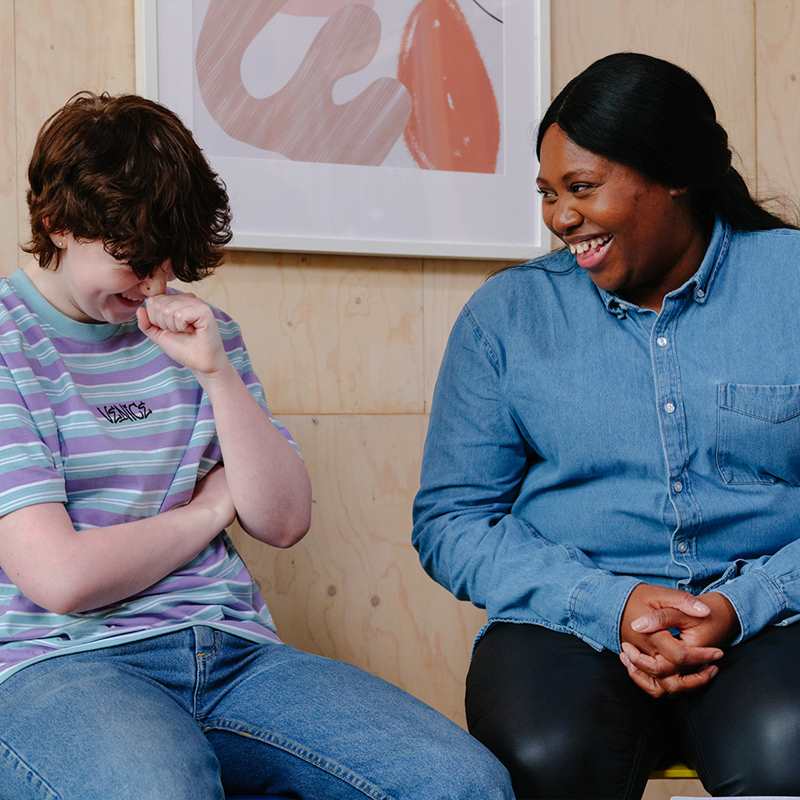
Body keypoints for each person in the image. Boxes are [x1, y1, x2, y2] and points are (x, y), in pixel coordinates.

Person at [0, 92, 513, 800]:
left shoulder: (202, 336)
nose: (154, 284)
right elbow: (60, 577)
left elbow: (282, 520)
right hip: (61, 667)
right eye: (134, 261)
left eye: (168, 263)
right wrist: (208, 514)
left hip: (233, 652)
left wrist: (216, 374)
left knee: (461, 784)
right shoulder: (7, 344)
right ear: (57, 222)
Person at [413, 52, 800, 799]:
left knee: (788, 750)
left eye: (582, 189)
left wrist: (743, 603)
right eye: (549, 193)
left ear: (675, 175)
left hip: (777, 615)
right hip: (570, 622)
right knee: (544, 756)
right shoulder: (508, 317)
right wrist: (610, 604)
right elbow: (453, 520)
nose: (561, 218)